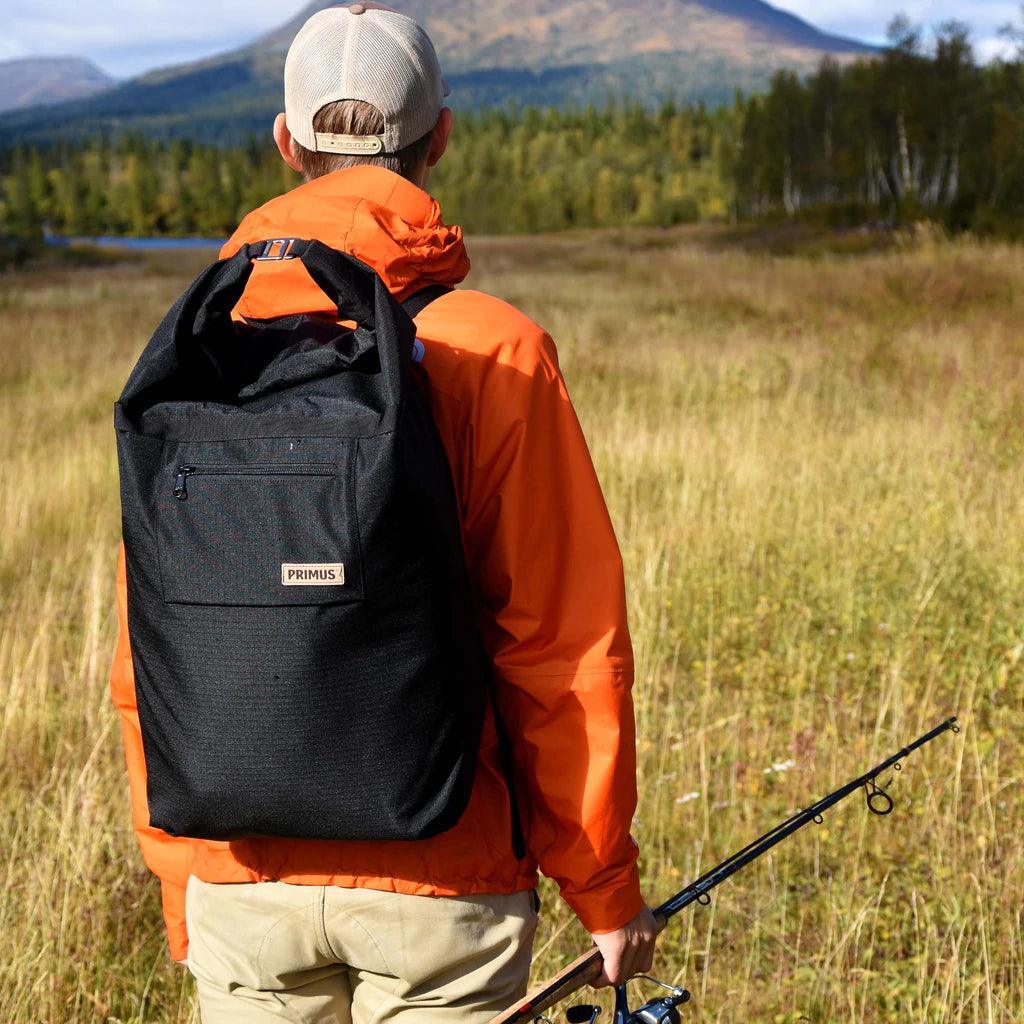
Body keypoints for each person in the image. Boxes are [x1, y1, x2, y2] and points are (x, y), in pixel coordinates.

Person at [109, 4, 657, 1021]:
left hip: (239, 877)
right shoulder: (494, 349)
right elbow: (560, 645)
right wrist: (601, 886)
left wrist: (180, 872)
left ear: (284, 142)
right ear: (438, 137)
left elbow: (149, 649)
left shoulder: (197, 351)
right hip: (445, 877)